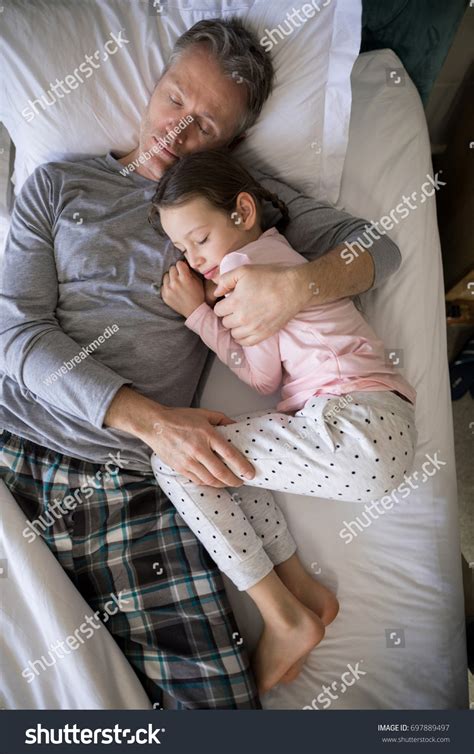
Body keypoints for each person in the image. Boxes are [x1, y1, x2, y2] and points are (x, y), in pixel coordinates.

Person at [0, 17, 403, 709]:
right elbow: (15, 335)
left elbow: (376, 250)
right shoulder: (59, 186)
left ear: (231, 145)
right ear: (156, 83)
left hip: (135, 481)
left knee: (217, 710)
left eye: (206, 125)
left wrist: (295, 286)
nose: (177, 132)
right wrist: (153, 421)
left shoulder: (231, 195)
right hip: (19, 445)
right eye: (175, 99)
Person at [148, 149, 417, 693]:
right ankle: (304, 592)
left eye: (199, 239)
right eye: (181, 247)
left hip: (354, 423)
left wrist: (197, 313)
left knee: (177, 460)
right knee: (222, 459)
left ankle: (284, 618)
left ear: (242, 211)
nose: (194, 257)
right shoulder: (277, 252)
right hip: (376, 425)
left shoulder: (243, 270)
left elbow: (261, 375)